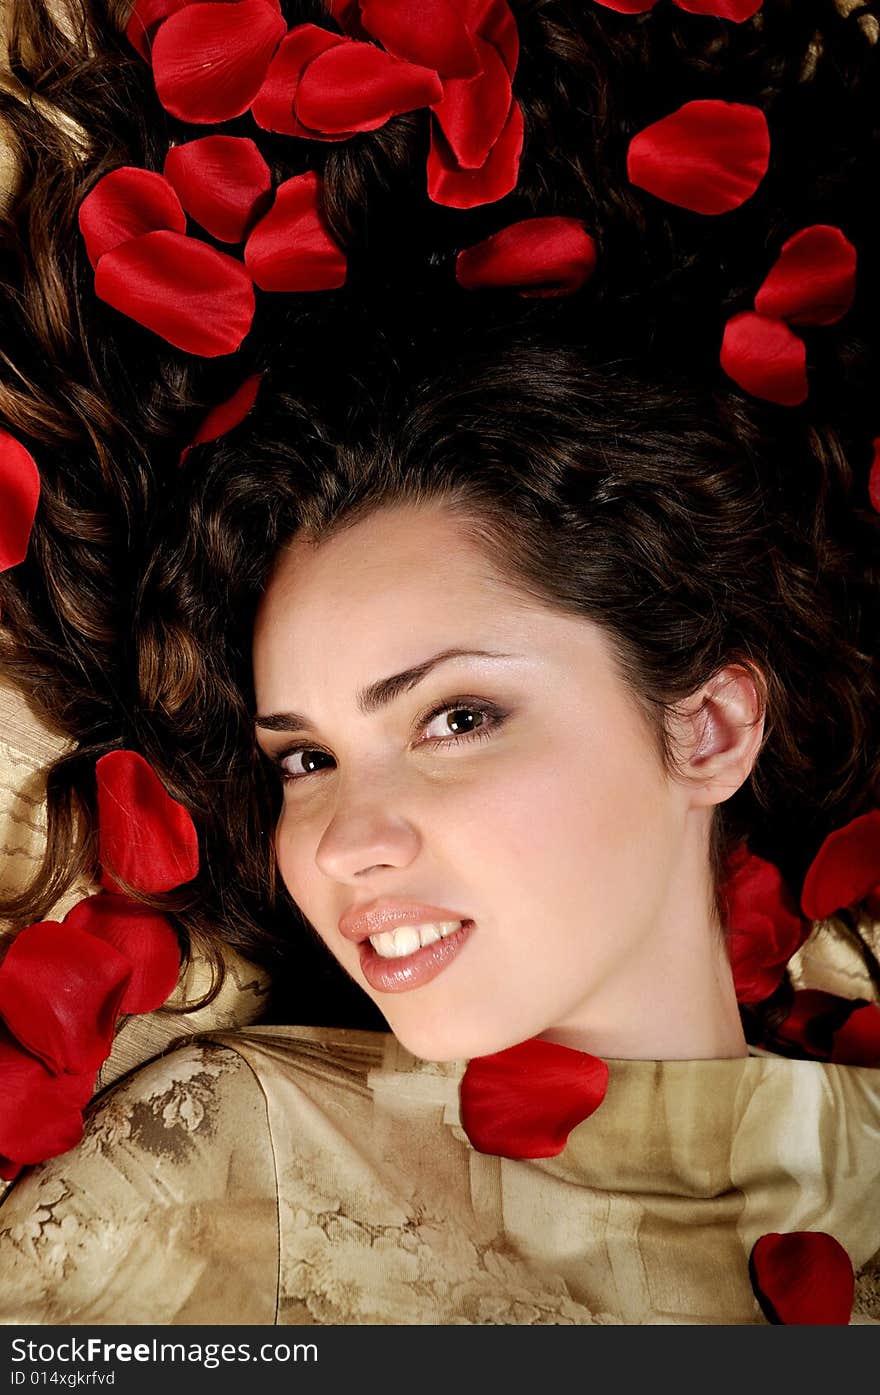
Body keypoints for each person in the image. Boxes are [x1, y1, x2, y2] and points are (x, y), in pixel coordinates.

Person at [0, 0, 879, 1324]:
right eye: (303, 756)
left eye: (457, 716)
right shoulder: (223, 1172)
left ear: (706, 729)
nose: (344, 839)